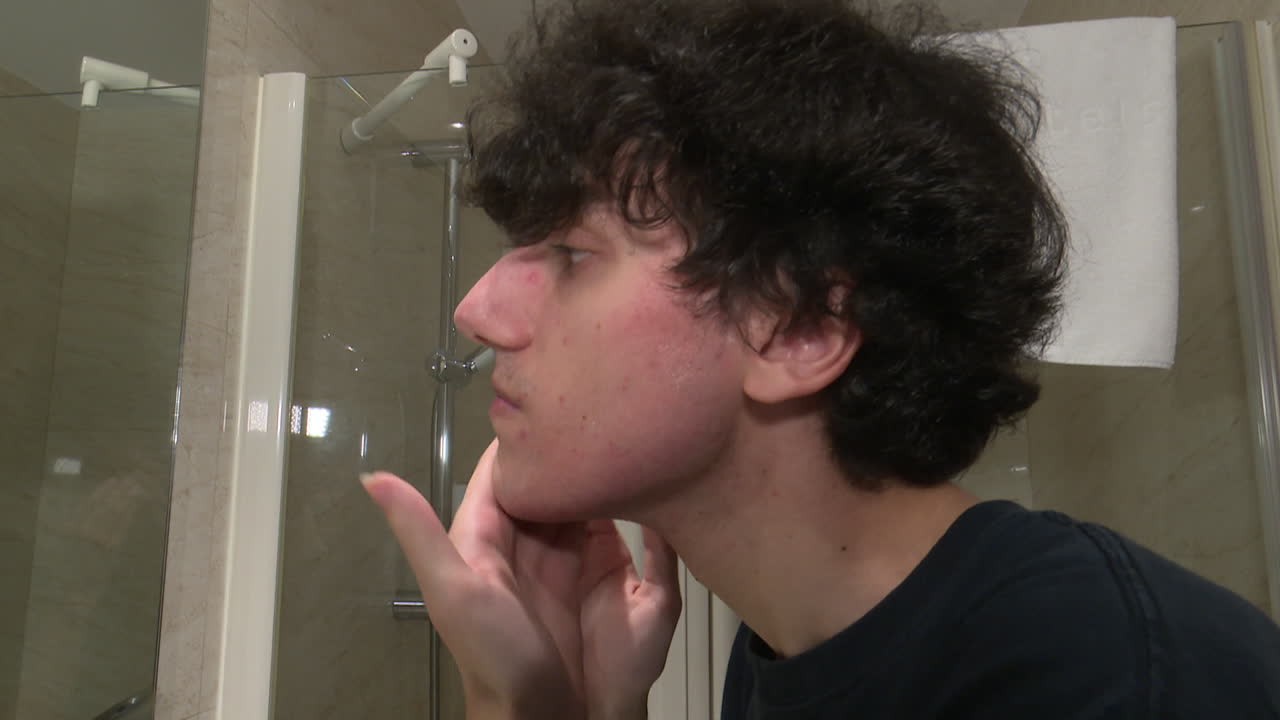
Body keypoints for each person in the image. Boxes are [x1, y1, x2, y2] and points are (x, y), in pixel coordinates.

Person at [360, 0, 1280, 717]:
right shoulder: (784, 648)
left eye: (571, 254)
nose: (477, 312)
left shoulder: (1097, 674)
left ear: (801, 330)